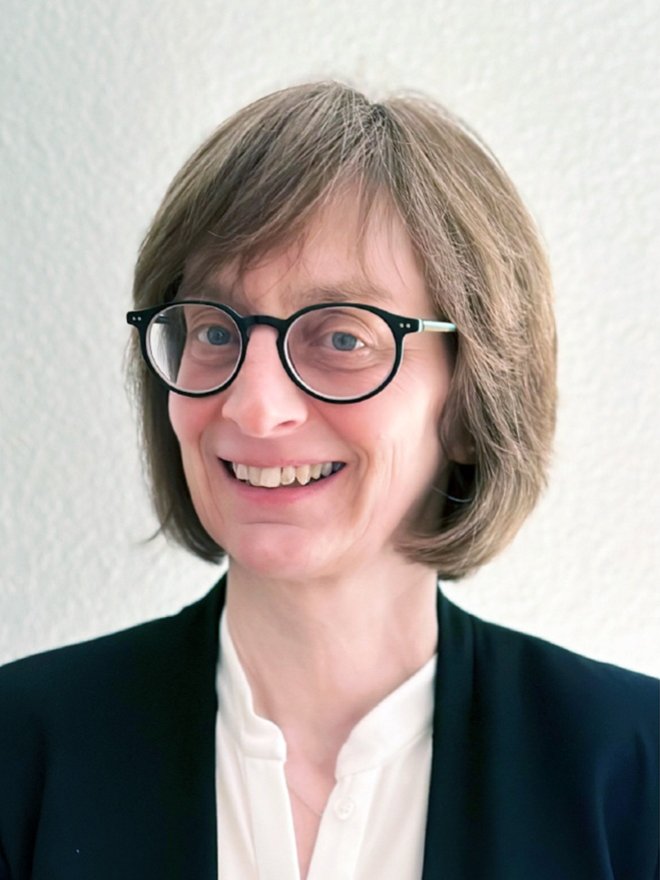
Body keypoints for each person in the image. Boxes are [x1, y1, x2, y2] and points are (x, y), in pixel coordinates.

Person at [0, 82, 657, 880]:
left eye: (342, 337)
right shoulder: (19, 752)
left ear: (469, 398)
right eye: (215, 331)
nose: (254, 406)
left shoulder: (635, 772)